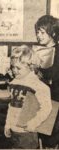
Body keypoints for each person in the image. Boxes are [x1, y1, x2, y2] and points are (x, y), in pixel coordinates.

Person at [4, 45, 52, 149]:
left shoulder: (37, 85)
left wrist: (33, 123)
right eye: (13, 67)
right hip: (14, 131)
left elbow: (47, 107)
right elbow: (11, 107)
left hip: (28, 133)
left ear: (31, 67)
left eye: (18, 68)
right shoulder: (14, 82)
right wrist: (7, 125)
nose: (14, 70)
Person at [35, 15, 59, 148]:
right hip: (39, 99)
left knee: (50, 141)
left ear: (53, 33)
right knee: (38, 138)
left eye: (42, 32)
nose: (38, 35)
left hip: (54, 101)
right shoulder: (37, 50)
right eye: (37, 32)